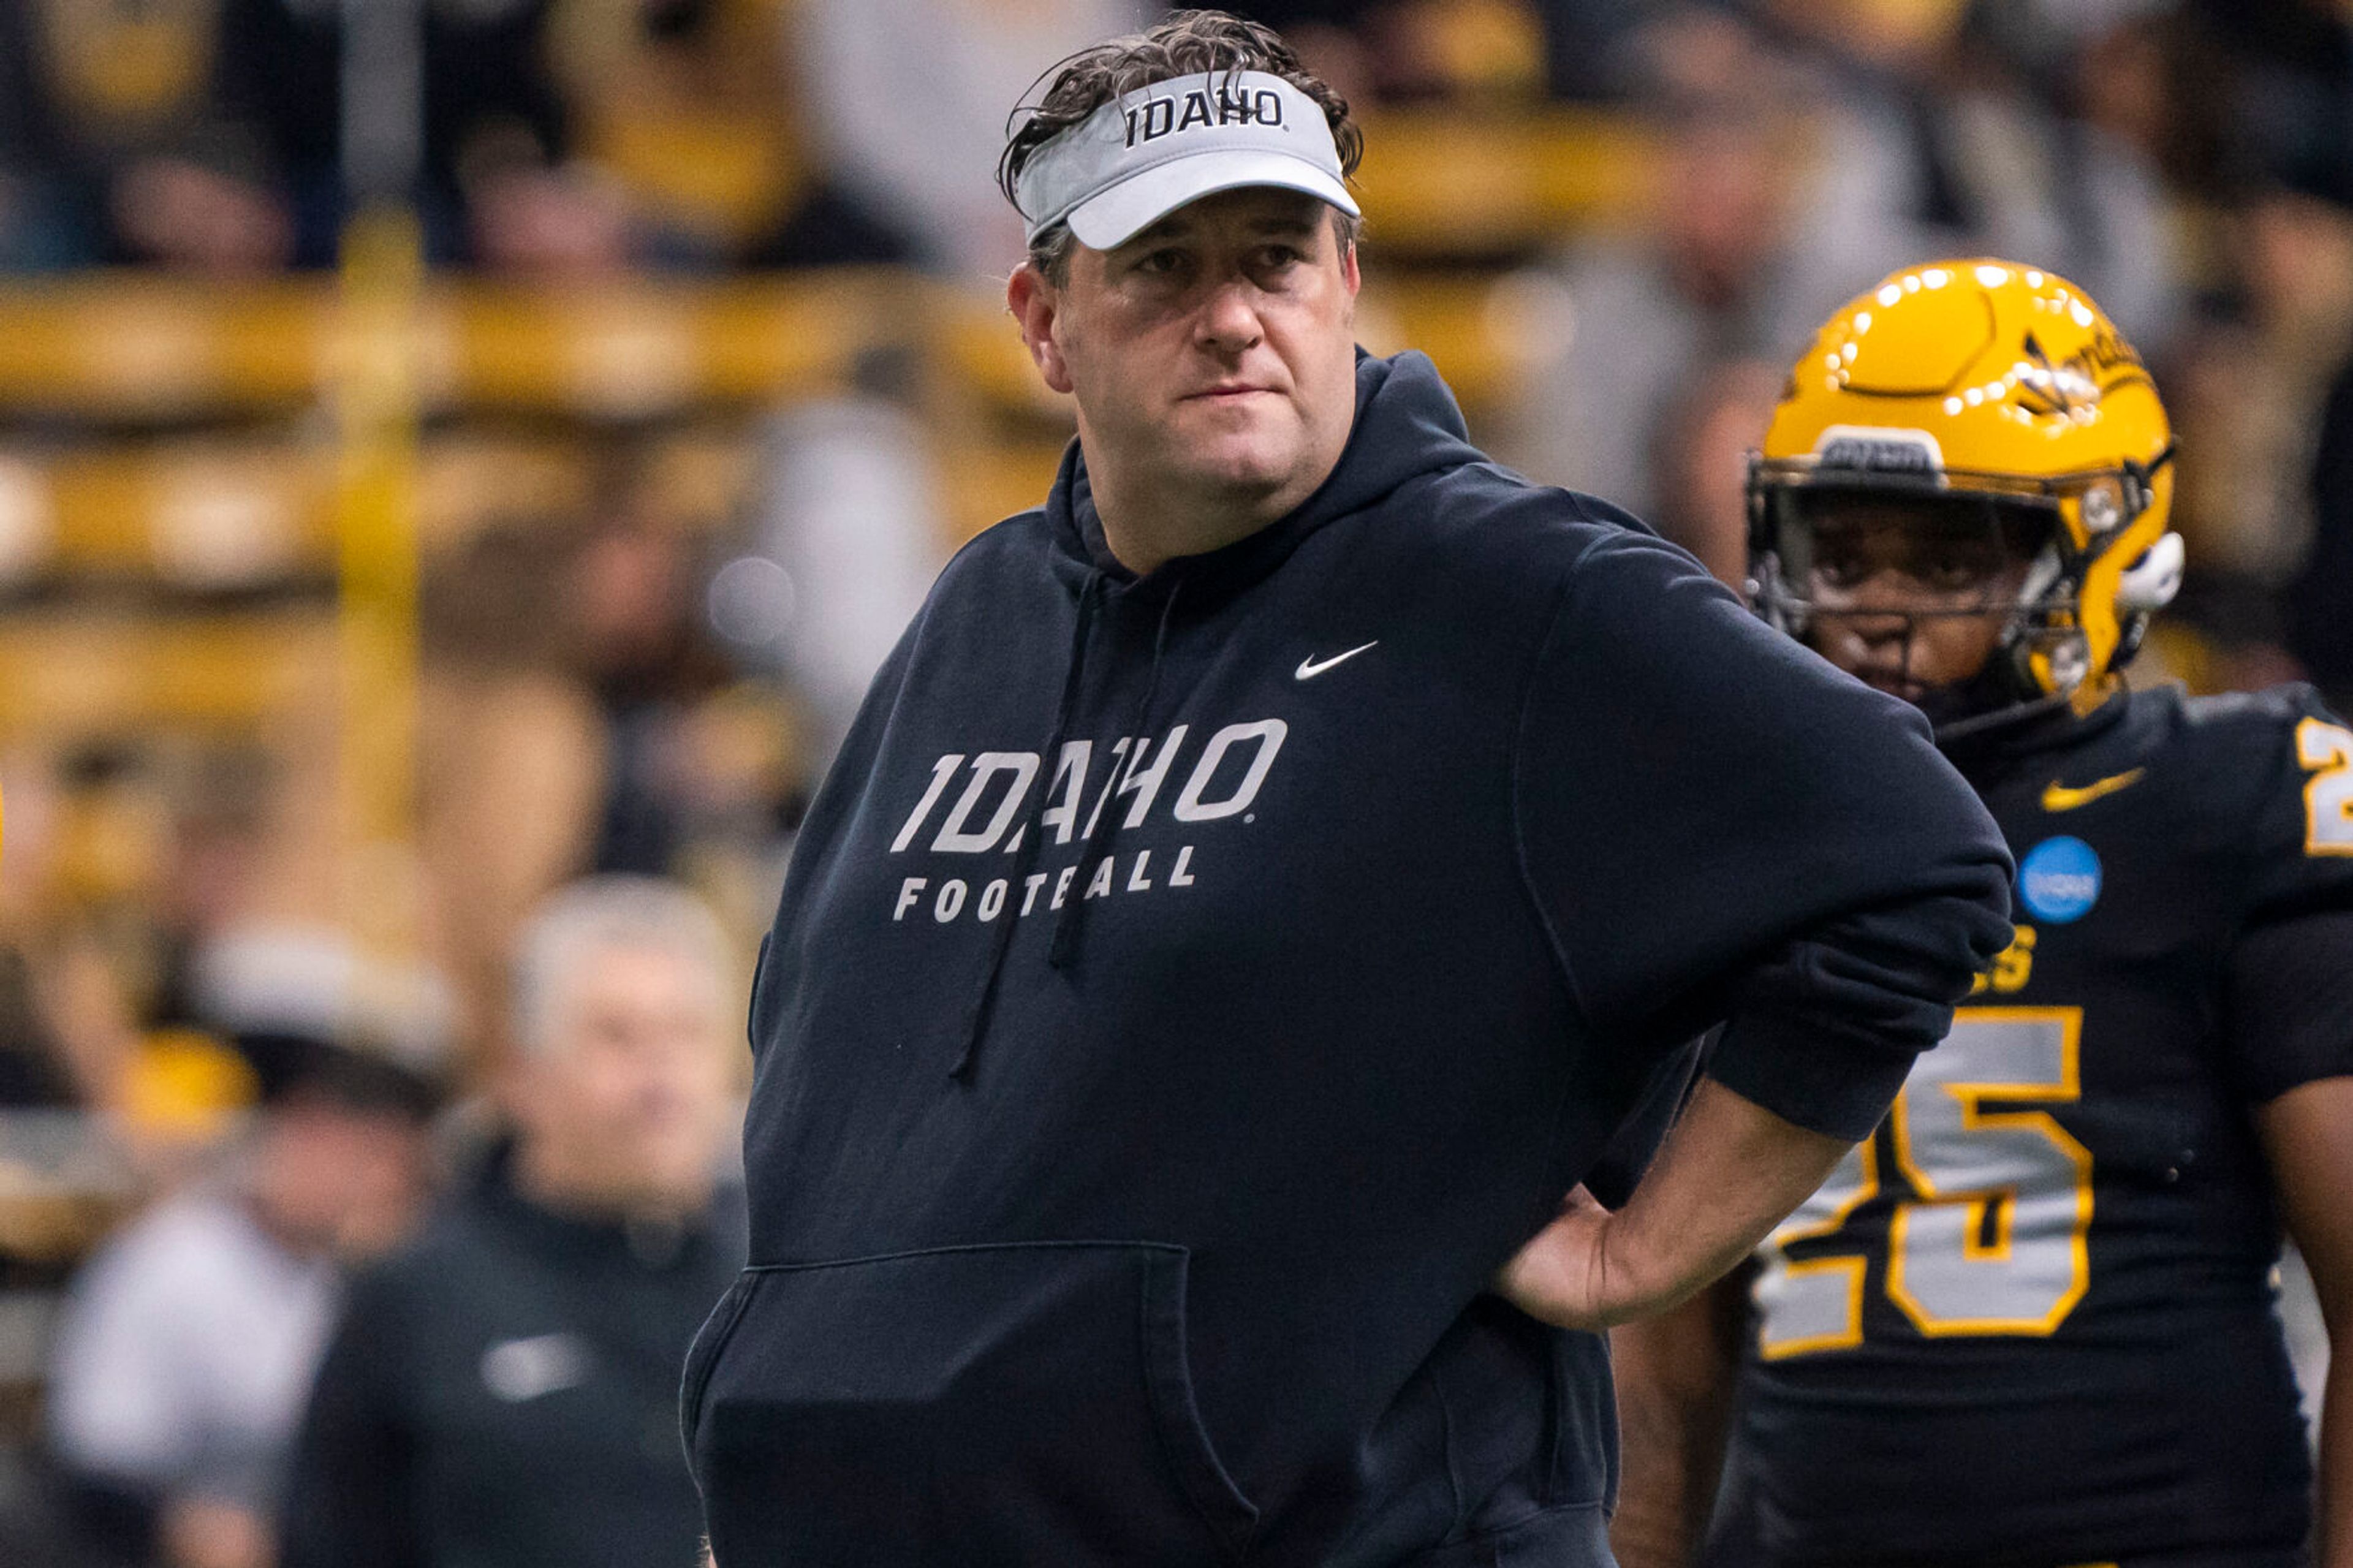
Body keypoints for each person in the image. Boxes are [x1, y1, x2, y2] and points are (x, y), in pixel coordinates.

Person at [686, 15, 2013, 1566]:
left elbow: (1914, 861)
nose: (1232, 316)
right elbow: (824, 1057)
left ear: (1345, 284)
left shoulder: (1514, 588)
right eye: (1163, 269)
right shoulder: (979, 615)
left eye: (1273, 258)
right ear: (1043, 321)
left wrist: (1644, 1250)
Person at [1610, 260, 2353, 1567]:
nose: (1878, 610)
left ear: (2102, 549)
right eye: (1840, 553)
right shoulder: (1736, 840)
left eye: (1950, 554)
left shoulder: (2231, 799)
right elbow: (1666, 1360)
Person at [279, 877, 745, 1568]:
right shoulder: (414, 1296)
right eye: (616, 1036)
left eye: (686, 1033)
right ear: (524, 1076)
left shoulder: (775, 1282)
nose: (661, 1073)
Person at [46, 1027, 439, 1568]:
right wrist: (184, 1524)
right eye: (367, 1157)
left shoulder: (357, 1278)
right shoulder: (176, 1259)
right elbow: (98, 1457)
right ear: (304, 1132)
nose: (383, 1187)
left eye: (400, 1169)